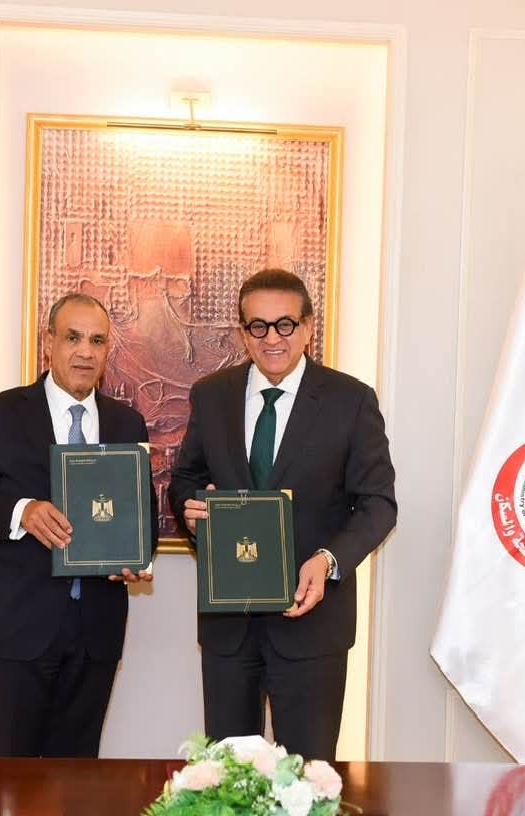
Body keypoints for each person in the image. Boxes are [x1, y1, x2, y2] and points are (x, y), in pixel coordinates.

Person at [168, 269, 396, 761]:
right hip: (229, 625)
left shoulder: (351, 400)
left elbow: (378, 503)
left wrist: (328, 560)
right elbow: (185, 480)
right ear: (242, 332)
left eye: (285, 324)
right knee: (227, 780)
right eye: (258, 326)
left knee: (308, 780)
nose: (272, 338)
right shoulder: (212, 395)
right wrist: (193, 510)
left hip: (312, 623)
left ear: (308, 327)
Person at [0, 292, 157, 757]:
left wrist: (136, 557)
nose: (85, 352)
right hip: (15, 630)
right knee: (7, 784)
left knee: (77, 784)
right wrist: (22, 512)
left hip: (95, 634)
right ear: (48, 342)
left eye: (97, 341)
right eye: (73, 338)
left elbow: (141, 518)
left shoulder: (127, 424)